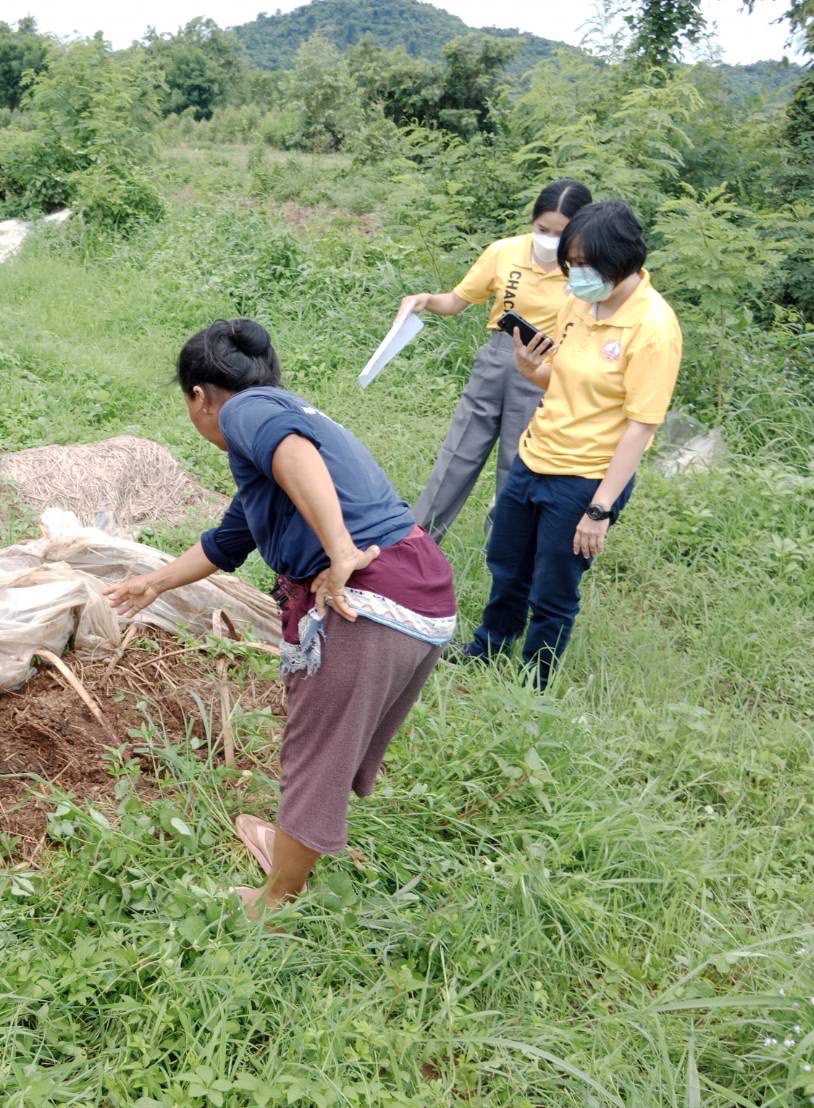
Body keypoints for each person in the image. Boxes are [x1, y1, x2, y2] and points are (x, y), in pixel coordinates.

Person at [104, 320, 457, 913]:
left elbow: (293, 452)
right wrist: (152, 582)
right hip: (419, 590)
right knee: (325, 743)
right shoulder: (274, 442)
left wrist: (340, 552)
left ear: (200, 396)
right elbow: (226, 541)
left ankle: (274, 901)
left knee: (317, 753)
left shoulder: (249, 410)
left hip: (371, 598)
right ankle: (295, 847)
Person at [456, 199, 682, 688]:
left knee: (554, 585)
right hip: (535, 455)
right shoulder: (579, 303)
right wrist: (529, 368)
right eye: (571, 263)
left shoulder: (653, 328)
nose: (576, 274)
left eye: (585, 264)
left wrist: (599, 509)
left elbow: (640, 427)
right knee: (507, 563)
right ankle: (488, 646)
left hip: (585, 477)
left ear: (622, 260)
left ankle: (533, 683)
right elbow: (560, 376)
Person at [400, 179, 594, 539]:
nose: (550, 239)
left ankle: (503, 549)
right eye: (543, 229)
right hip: (496, 358)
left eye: (561, 233)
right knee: (458, 453)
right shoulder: (505, 251)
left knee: (517, 462)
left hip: (545, 370)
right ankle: (416, 543)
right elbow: (456, 301)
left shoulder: (587, 271)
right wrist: (425, 300)